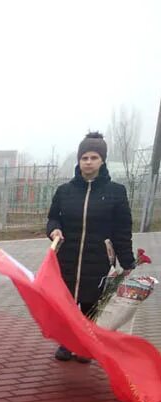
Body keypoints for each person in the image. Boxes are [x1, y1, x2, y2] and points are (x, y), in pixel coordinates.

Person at [46, 131, 135, 363]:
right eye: (84, 157)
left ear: (102, 160)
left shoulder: (116, 192)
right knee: (65, 303)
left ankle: (85, 345)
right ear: (78, 160)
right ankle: (67, 343)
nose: (88, 162)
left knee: (91, 303)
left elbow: (122, 229)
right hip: (68, 256)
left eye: (94, 157)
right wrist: (53, 230)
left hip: (98, 258)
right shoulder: (65, 191)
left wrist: (127, 261)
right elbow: (53, 218)